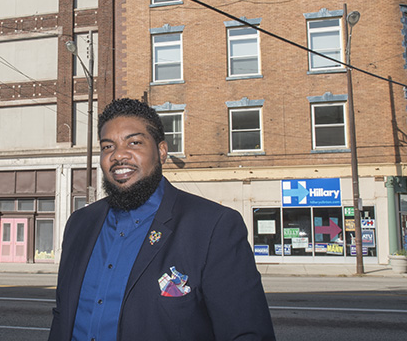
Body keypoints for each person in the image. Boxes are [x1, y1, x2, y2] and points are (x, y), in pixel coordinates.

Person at [49, 98, 275, 341]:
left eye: (134, 142)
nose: (118, 155)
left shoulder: (213, 227)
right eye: (107, 147)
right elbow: (63, 317)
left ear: (162, 151)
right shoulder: (79, 224)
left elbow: (247, 333)